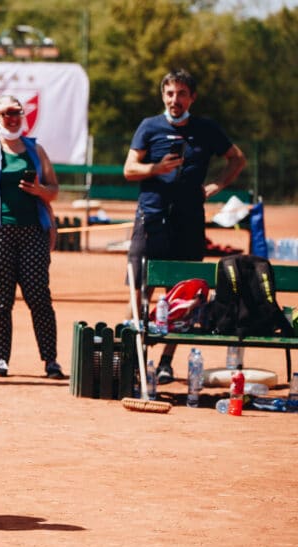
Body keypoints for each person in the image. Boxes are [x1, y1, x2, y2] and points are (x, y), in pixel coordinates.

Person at [124, 69, 246, 384]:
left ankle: (166, 362)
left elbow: (237, 159)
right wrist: (156, 168)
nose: (174, 100)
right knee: (140, 290)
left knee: (182, 295)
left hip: (189, 221)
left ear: (192, 97)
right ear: (163, 96)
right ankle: (133, 358)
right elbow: (129, 169)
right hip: (151, 218)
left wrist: (215, 186)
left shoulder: (206, 129)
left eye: (181, 94)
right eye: (169, 93)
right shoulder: (149, 126)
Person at [0, 95, 63, 379]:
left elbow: (54, 190)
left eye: (16, 112)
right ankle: (0, 359)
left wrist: (39, 191)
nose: (11, 118)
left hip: (33, 231)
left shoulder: (35, 149)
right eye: (5, 113)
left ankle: (50, 360)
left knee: (39, 296)